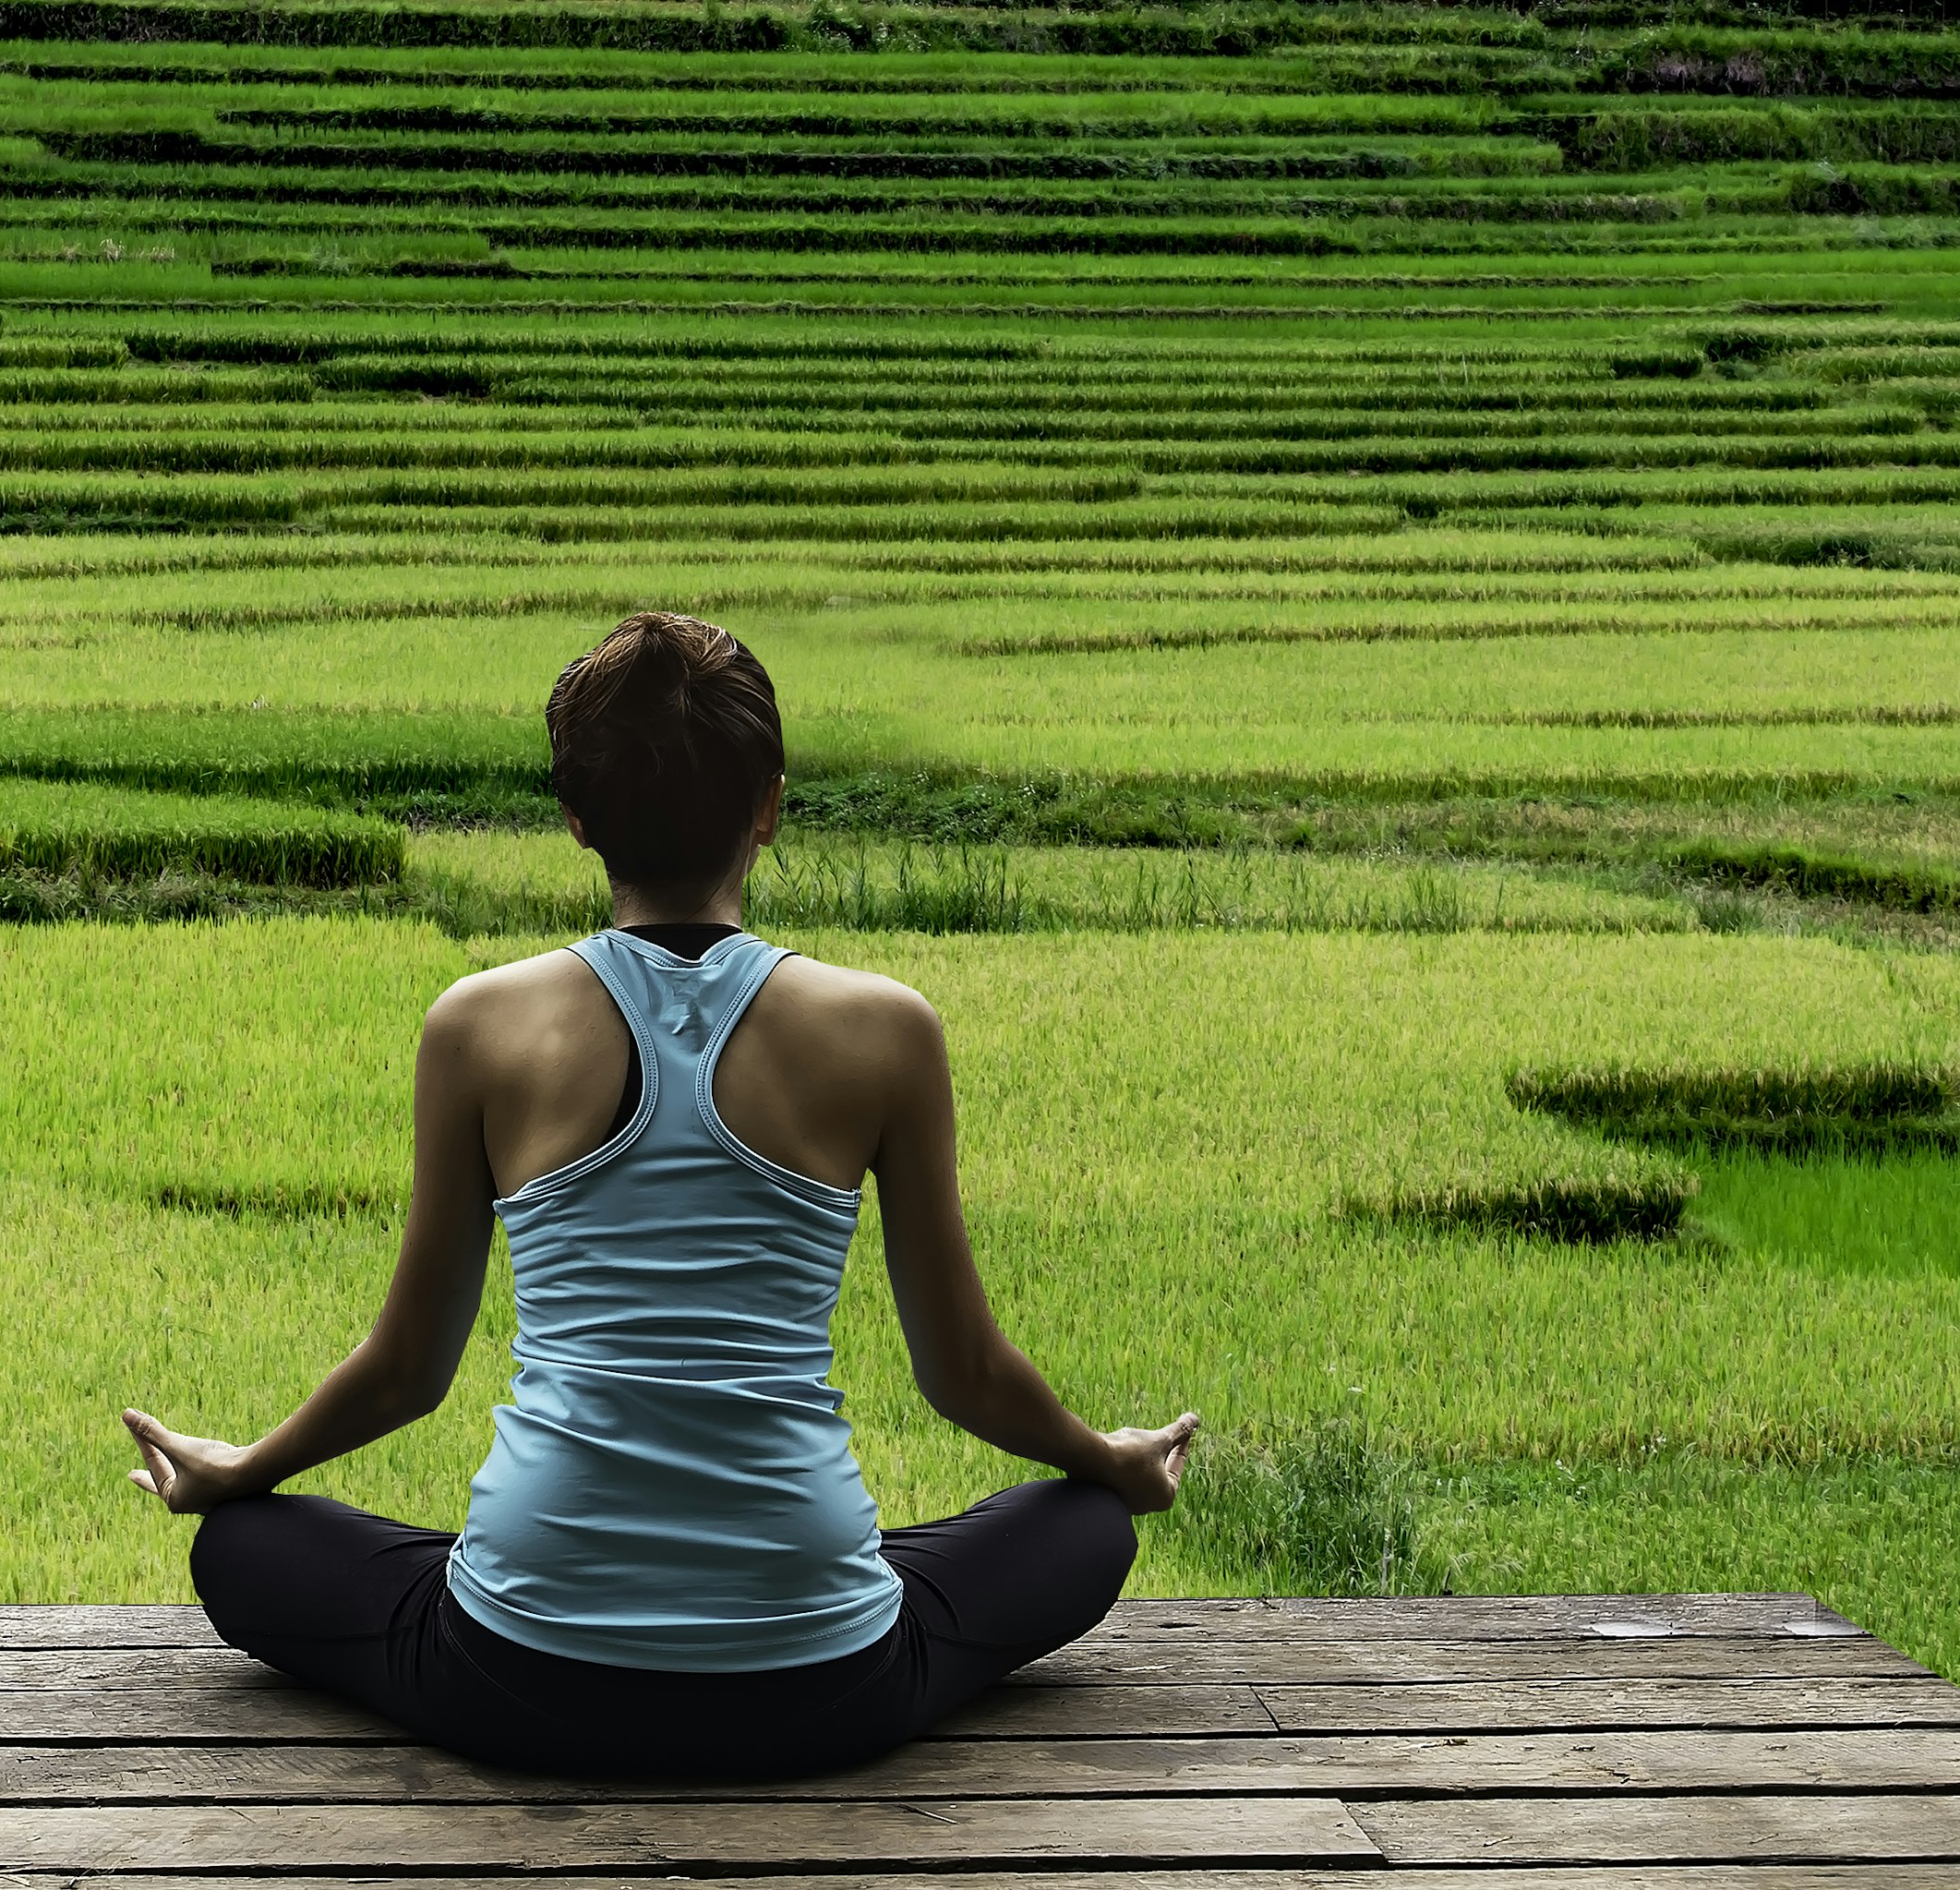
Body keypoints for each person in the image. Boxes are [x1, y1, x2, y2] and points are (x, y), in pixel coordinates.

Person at [121, 609, 1200, 1782]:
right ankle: (792, 1576)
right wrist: (1113, 1461)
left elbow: (405, 1373)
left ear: (578, 819)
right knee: (1085, 1524)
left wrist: (242, 1472)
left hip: (520, 1676)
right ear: (770, 807)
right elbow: (968, 1377)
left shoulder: (478, 1025)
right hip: (821, 1686)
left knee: (243, 1549)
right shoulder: (886, 1031)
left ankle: (580, 1580)